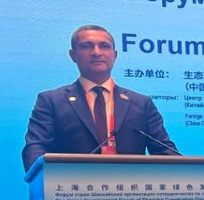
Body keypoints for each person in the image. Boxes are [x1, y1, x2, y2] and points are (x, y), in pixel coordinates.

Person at [22, 25, 178, 171]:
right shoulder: (51, 101)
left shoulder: (141, 103)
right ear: (73, 55)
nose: (96, 52)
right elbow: (36, 148)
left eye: (104, 46)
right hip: (72, 187)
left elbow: (164, 150)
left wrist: (186, 172)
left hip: (131, 187)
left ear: (114, 55)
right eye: (87, 46)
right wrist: (42, 177)